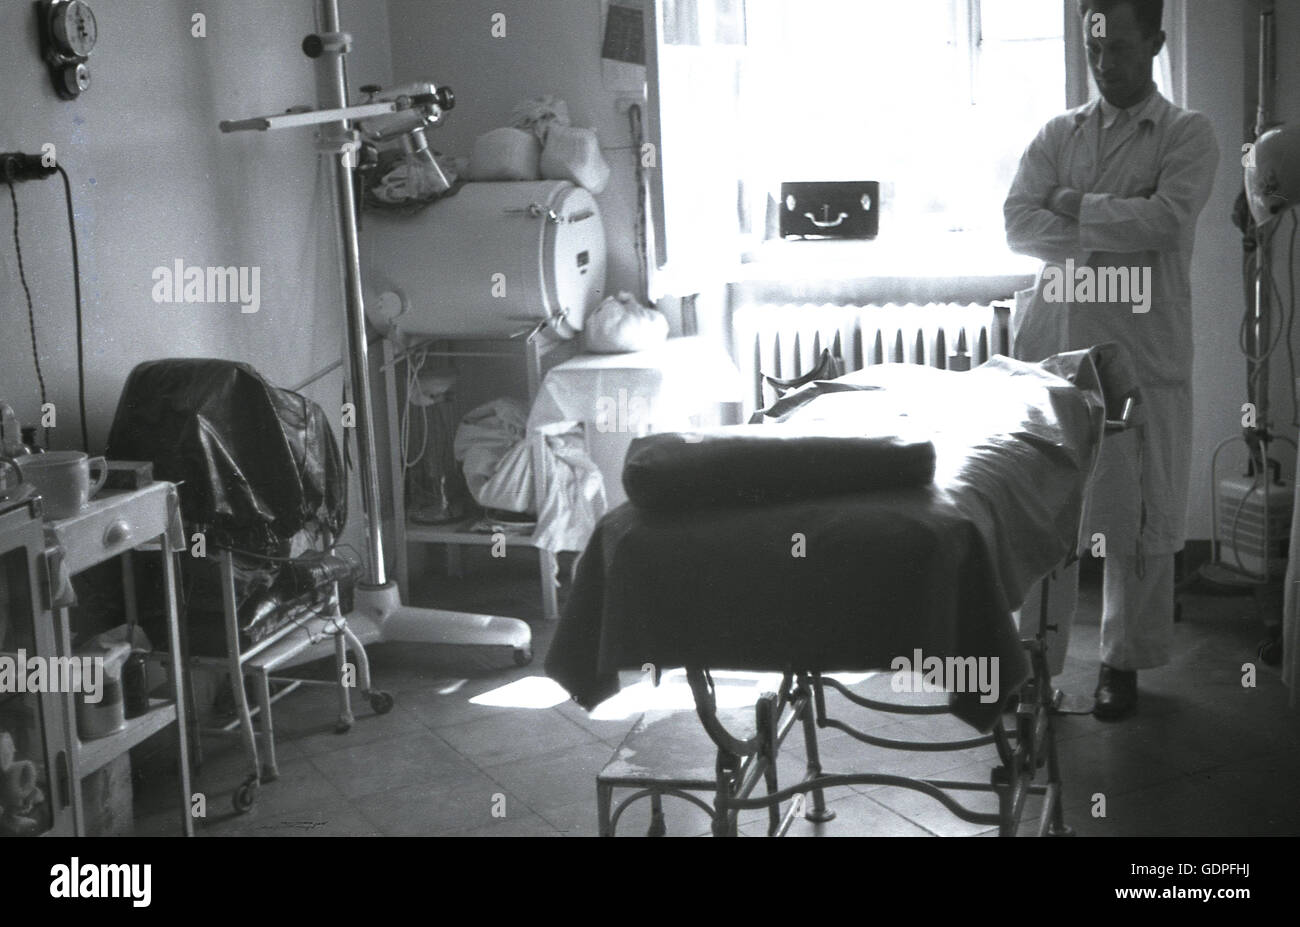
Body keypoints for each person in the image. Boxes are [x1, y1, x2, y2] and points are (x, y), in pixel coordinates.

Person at [1004, 0, 1218, 720]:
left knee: (1140, 517)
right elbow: (1016, 223)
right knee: (1049, 513)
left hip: (1144, 350)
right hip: (1057, 348)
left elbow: (1165, 220)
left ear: (1155, 42)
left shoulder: (1187, 133)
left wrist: (1069, 204)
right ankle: (1037, 664)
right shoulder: (1057, 132)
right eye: (1095, 48)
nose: (1104, 62)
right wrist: (1105, 220)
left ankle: (1122, 665)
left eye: (1120, 48)